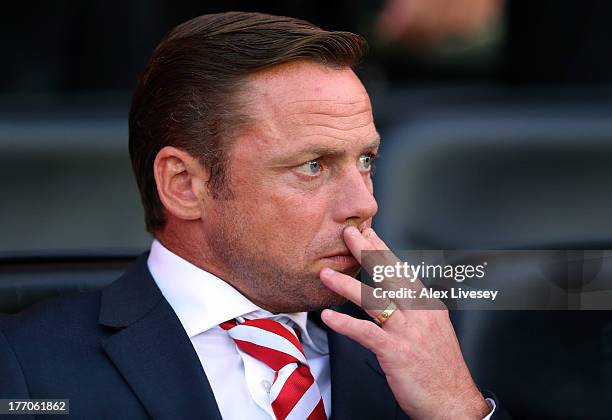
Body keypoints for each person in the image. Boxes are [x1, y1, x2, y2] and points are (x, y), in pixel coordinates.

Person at [0, 12, 509, 419]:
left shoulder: (415, 353)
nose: (365, 204)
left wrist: (456, 410)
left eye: (366, 161)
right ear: (184, 186)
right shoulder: (26, 367)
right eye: (313, 165)